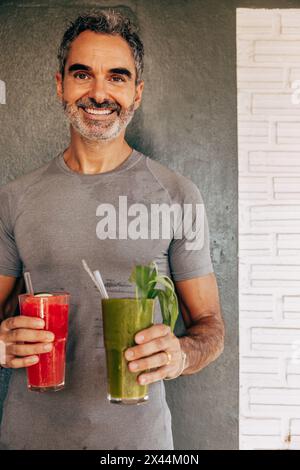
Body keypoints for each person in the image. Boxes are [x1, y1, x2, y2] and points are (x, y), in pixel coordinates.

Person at [0, 11, 224, 450]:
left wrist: (181, 356)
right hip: (28, 439)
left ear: (136, 93)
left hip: (138, 445)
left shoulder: (177, 194)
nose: (99, 92)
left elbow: (210, 327)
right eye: (82, 74)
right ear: (59, 84)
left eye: (117, 78)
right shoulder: (14, 199)